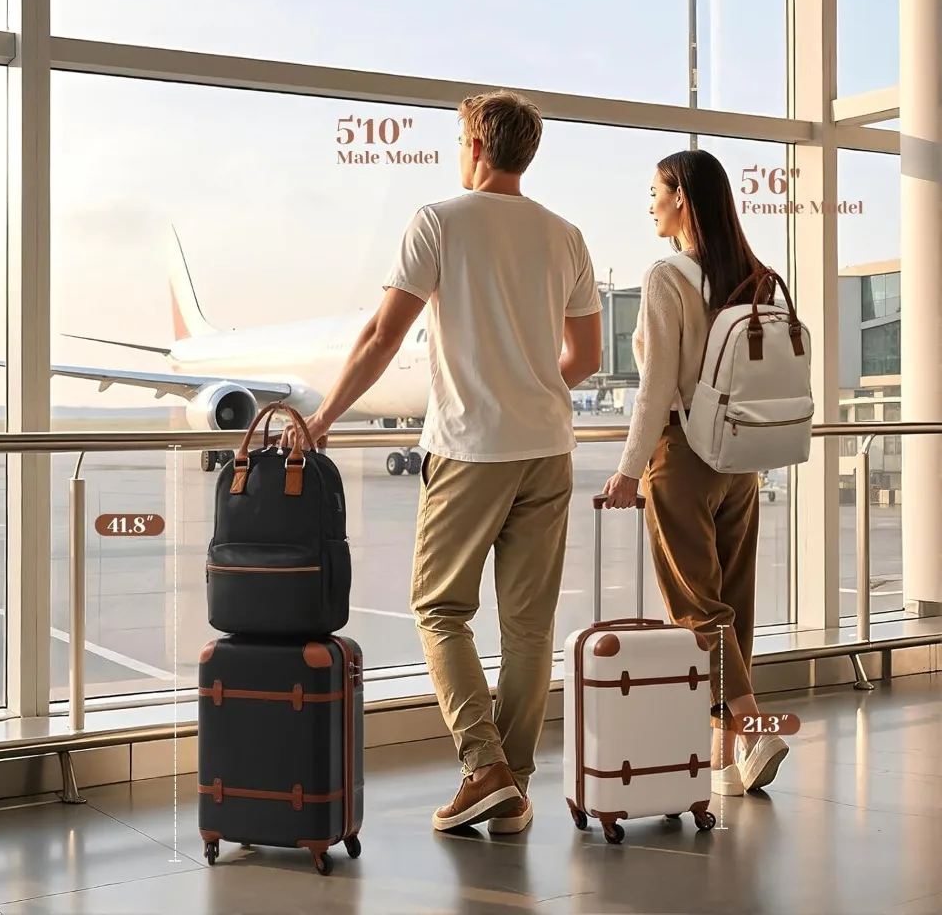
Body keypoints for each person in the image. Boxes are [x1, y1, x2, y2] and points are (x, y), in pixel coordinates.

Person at [281, 89, 603, 833]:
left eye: (461, 140)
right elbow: (582, 356)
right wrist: (531, 387)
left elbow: (382, 336)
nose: (460, 152)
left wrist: (324, 416)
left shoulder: (439, 222)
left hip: (470, 446)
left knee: (438, 606)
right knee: (529, 628)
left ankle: (483, 765)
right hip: (549, 447)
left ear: (478, 148)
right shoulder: (567, 235)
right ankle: (512, 790)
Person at [600, 148, 789, 797]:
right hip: (742, 457)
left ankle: (754, 725)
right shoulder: (757, 275)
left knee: (696, 607)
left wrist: (629, 470)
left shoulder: (666, 277)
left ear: (681, 197)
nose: (649, 202)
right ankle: (729, 754)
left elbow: (655, 387)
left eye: (655, 190)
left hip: (682, 455)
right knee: (734, 602)